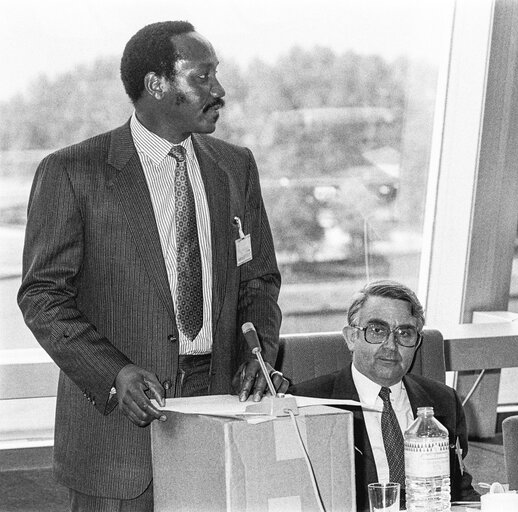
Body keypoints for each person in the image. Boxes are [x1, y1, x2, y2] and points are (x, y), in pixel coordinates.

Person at [17, 20, 286, 511]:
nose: (219, 90)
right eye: (202, 77)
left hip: (220, 420)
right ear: (156, 84)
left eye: (216, 76)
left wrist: (259, 353)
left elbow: (259, 280)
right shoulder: (72, 172)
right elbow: (41, 297)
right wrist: (113, 372)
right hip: (117, 434)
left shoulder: (236, 166)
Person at [289, 280, 479, 511]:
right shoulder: (308, 404)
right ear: (351, 338)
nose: (391, 345)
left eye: (404, 333)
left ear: (417, 343)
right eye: (377, 331)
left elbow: (459, 491)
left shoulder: (443, 401)